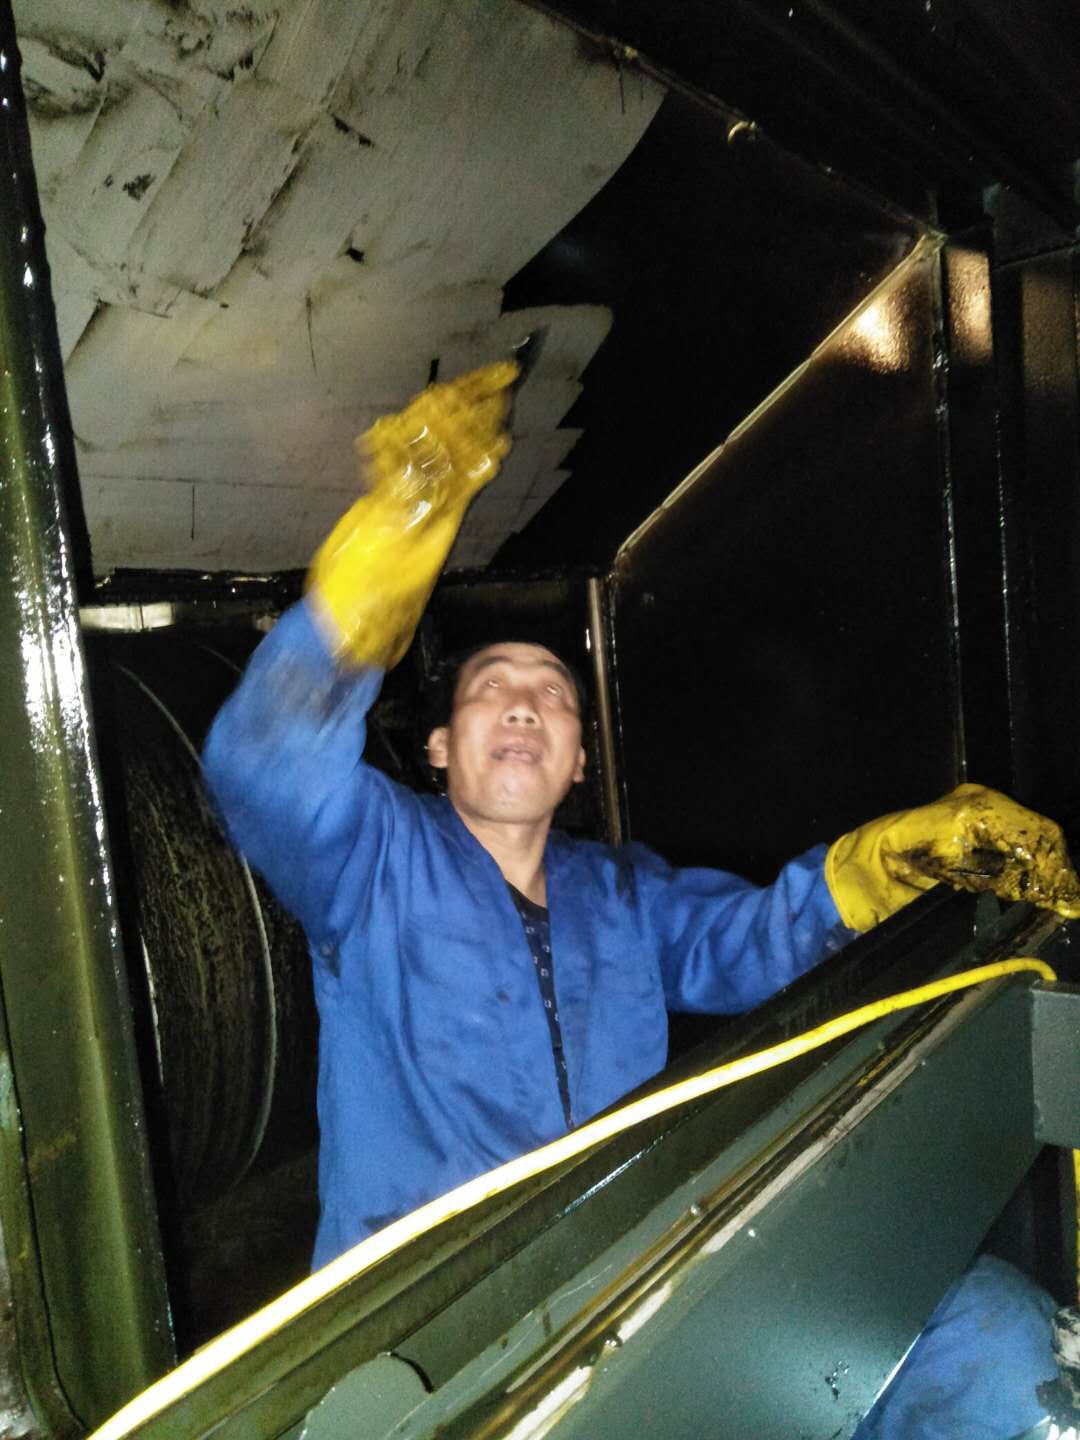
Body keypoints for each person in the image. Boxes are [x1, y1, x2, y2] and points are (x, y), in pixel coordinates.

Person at [203, 362, 1074, 1436]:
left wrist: (885, 860)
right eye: (489, 689)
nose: (523, 704)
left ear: (577, 763)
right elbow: (264, 764)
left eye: (553, 695)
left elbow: (753, 942)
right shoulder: (371, 859)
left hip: (636, 1278)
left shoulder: (622, 893)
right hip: (439, 1356)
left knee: (994, 1334)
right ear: (437, 749)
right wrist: (388, 546)